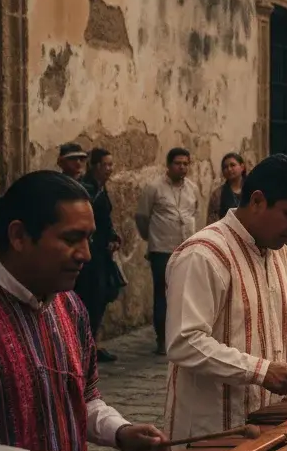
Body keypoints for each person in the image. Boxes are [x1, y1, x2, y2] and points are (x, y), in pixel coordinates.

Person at [0, 172, 166, 451]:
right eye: (72, 239)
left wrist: (121, 432)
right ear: (19, 236)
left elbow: (83, 400)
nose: (86, 254)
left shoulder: (71, 307)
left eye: (89, 239)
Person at [164, 154, 287, 442]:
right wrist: (260, 371)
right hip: (212, 431)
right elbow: (185, 342)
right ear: (256, 201)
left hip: (267, 423)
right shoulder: (203, 254)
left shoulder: (284, 258)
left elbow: (284, 323)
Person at [135, 147, 200, 355]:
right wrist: (152, 238)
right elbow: (142, 217)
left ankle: (183, 336)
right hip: (162, 249)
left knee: (185, 294)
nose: (182, 167)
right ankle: (162, 338)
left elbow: (195, 213)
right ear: (168, 165)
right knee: (163, 294)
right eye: (177, 163)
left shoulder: (192, 188)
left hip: (186, 248)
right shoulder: (154, 188)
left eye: (185, 163)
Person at [74, 148, 122, 363]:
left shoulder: (102, 190)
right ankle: (83, 346)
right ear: (95, 166)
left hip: (102, 254)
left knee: (101, 297)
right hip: (89, 254)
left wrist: (113, 237)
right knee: (88, 298)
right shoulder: (86, 190)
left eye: (111, 165)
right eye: (105, 165)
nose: (109, 169)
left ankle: (91, 344)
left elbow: (106, 221)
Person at [207, 152, 246, 225]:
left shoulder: (252, 188)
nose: (229, 169)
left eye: (232, 165)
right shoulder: (217, 194)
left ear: (242, 167)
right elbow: (212, 221)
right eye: (225, 167)